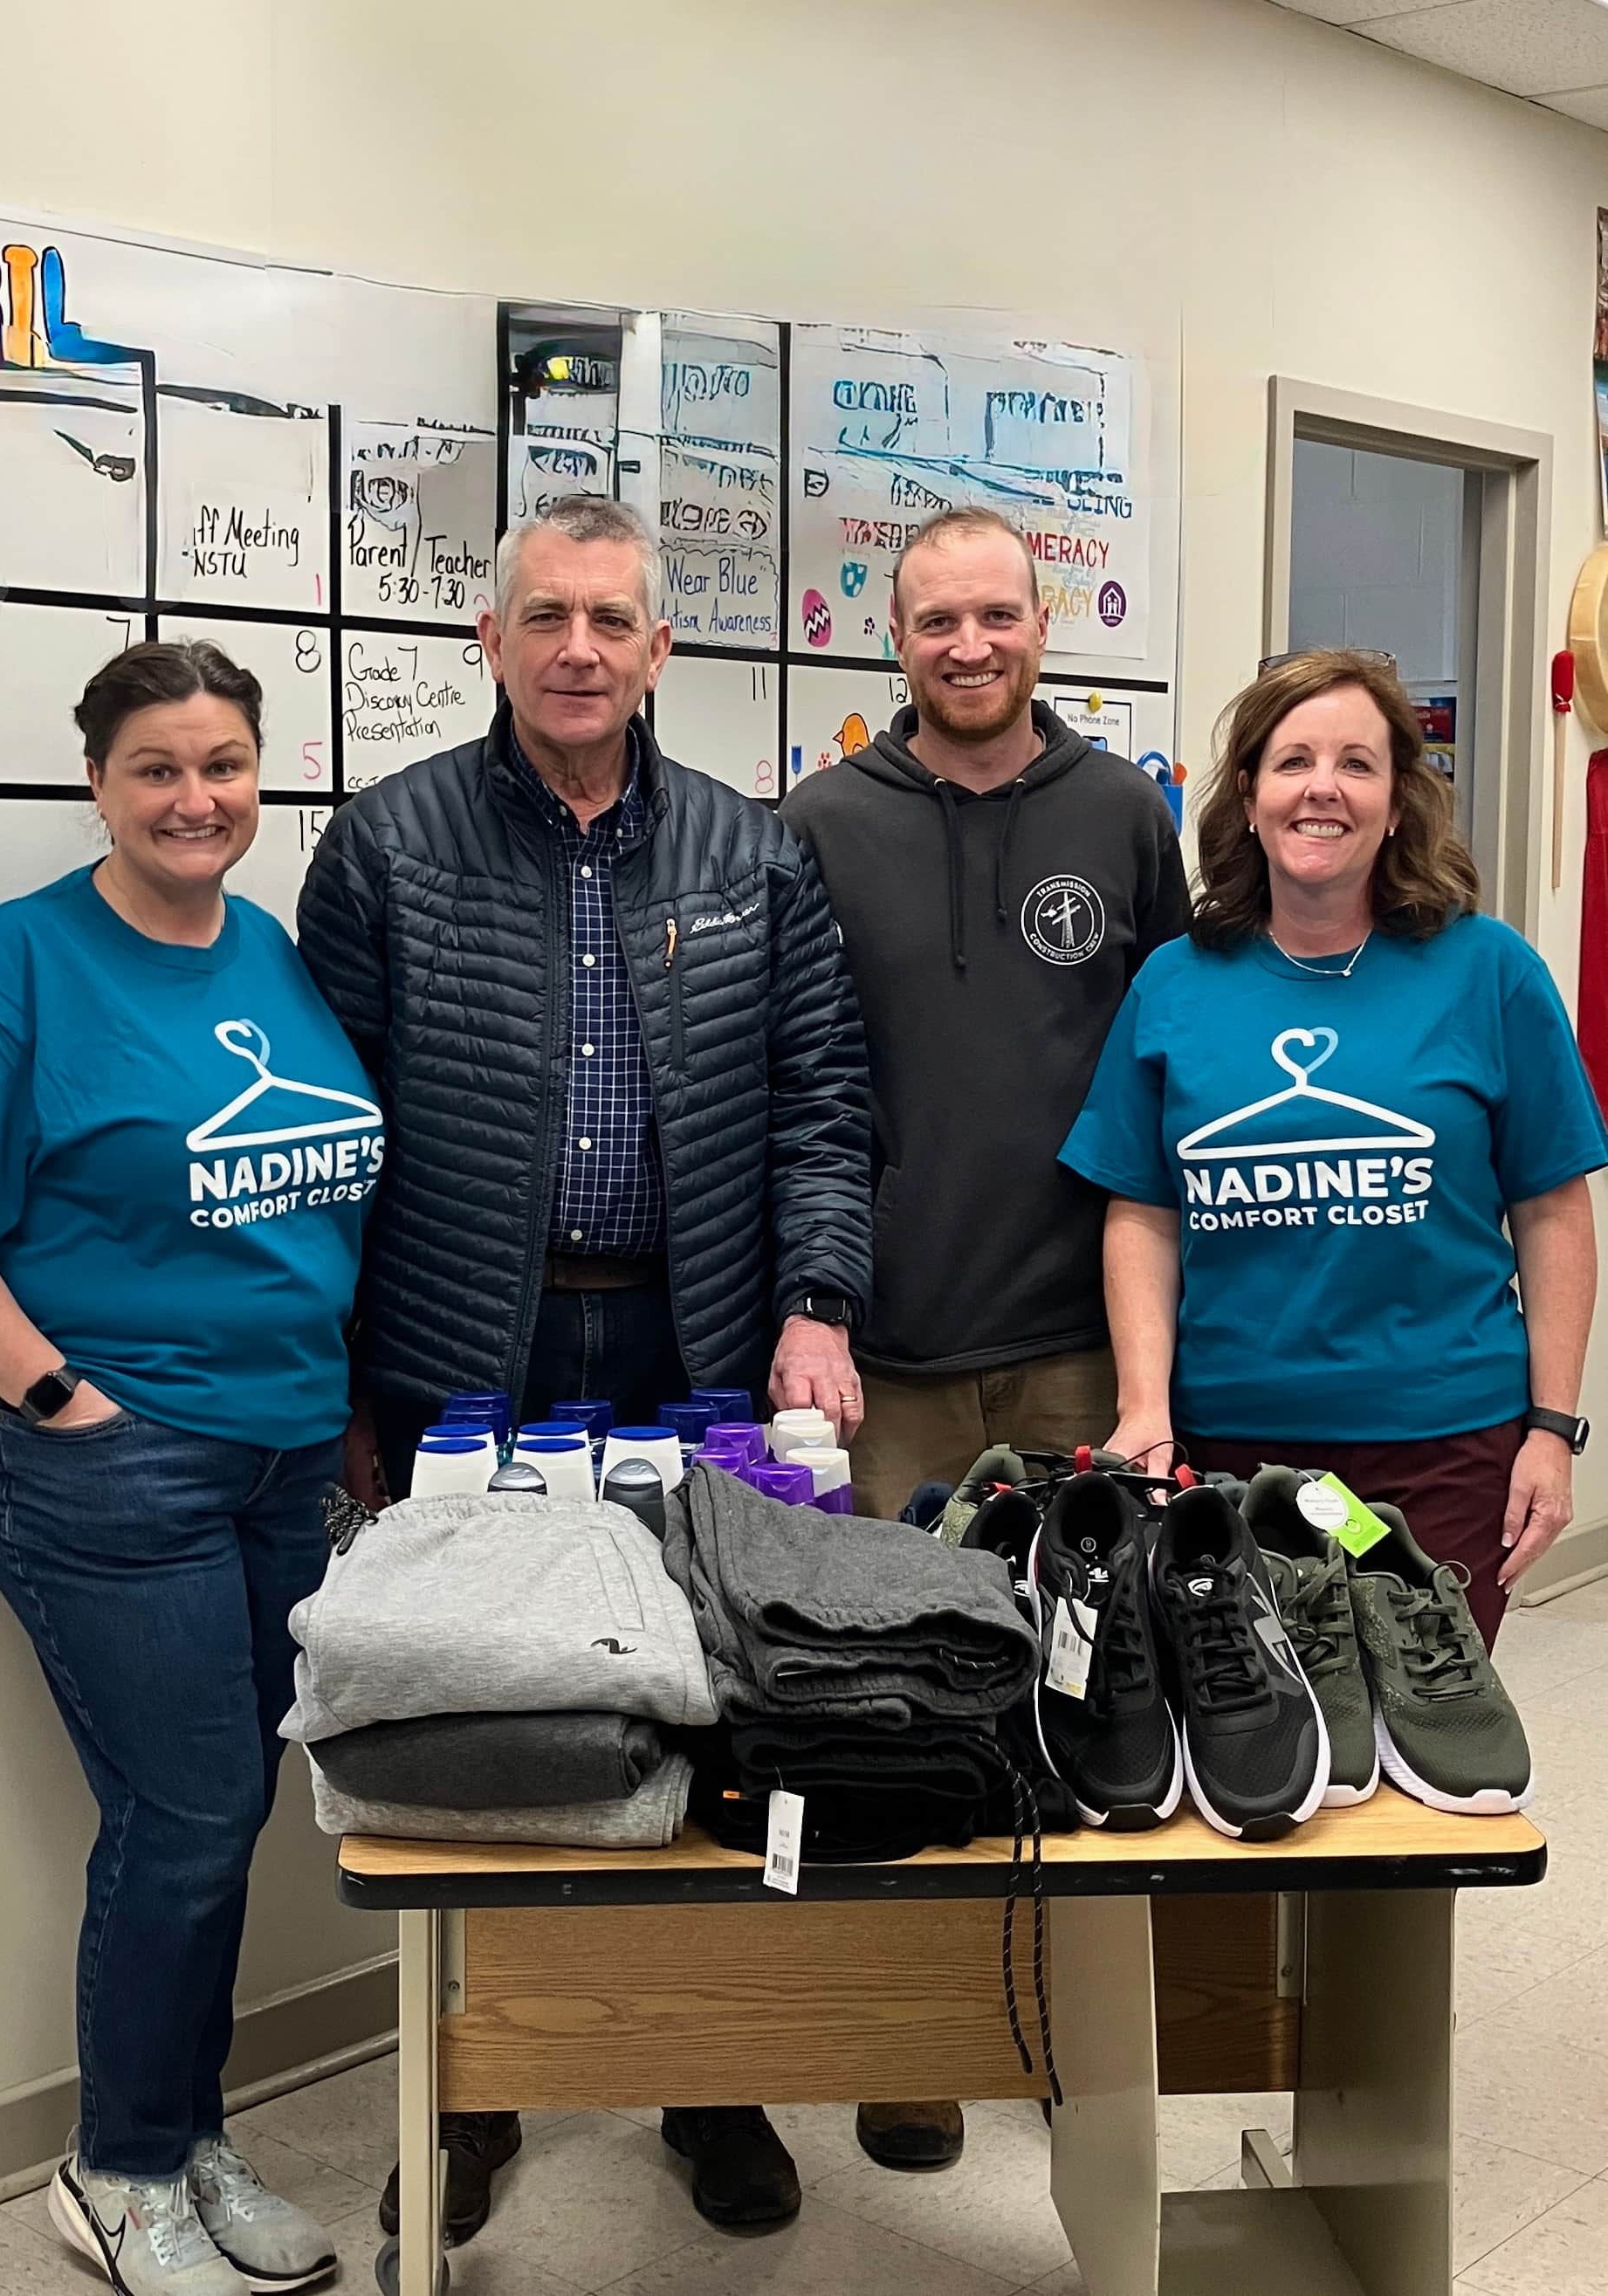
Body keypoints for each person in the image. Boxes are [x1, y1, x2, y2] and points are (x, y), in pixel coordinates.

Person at [298, 495, 872, 2238]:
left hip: (695, 1339)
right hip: (469, 1338)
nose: (575, 649)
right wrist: (348, 1387)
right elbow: (325, 1136)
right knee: (468, 1709)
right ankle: (467, 2097)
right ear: (487, 640)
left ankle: (711, 2078)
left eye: (609, 621)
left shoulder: (749, 850)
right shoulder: (385, 845)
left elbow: (821, 1104)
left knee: (711, 1696)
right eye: (543, 616)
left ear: (656, 650)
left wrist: (818, 1300)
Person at [0, 642, 376, 2296]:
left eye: (225, 765)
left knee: (215, 1817)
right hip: (107, 1459)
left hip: (279, 1451)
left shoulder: (276, 958)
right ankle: (118, 2170)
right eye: (159, 769)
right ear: (98, 782)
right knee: (189, 1811)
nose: (196, 798)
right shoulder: (15, 970)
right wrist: (55, 1402)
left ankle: (184, 2129)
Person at [780, 504, 1188, 2174]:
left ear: (1044, 624)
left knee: (1080, 1695)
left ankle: (1062, 2030)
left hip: (1082, 1354)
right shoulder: (814, 820)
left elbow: (1176, 1065)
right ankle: (911, 2050)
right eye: (935, 622)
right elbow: (787, 1084)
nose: (967, 647)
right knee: (897, 1714)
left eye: (995, 619)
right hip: (889, 1361)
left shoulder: (1121, 812)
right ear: (894, 641)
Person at [1061, 647, 1605, 1648]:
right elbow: (1142, 1208)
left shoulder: (1489, 972)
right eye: (1293, 760)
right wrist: (1144, 1407)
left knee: (1424, 1735)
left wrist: (1551, 1427)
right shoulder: (1177, 985)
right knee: (1256, 1733)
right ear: (1250, 795)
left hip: (1439, 1453)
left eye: (1357, 763)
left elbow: (1551, 1209)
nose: (1324, 788)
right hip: (1231, 1450)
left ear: (1398, 800)